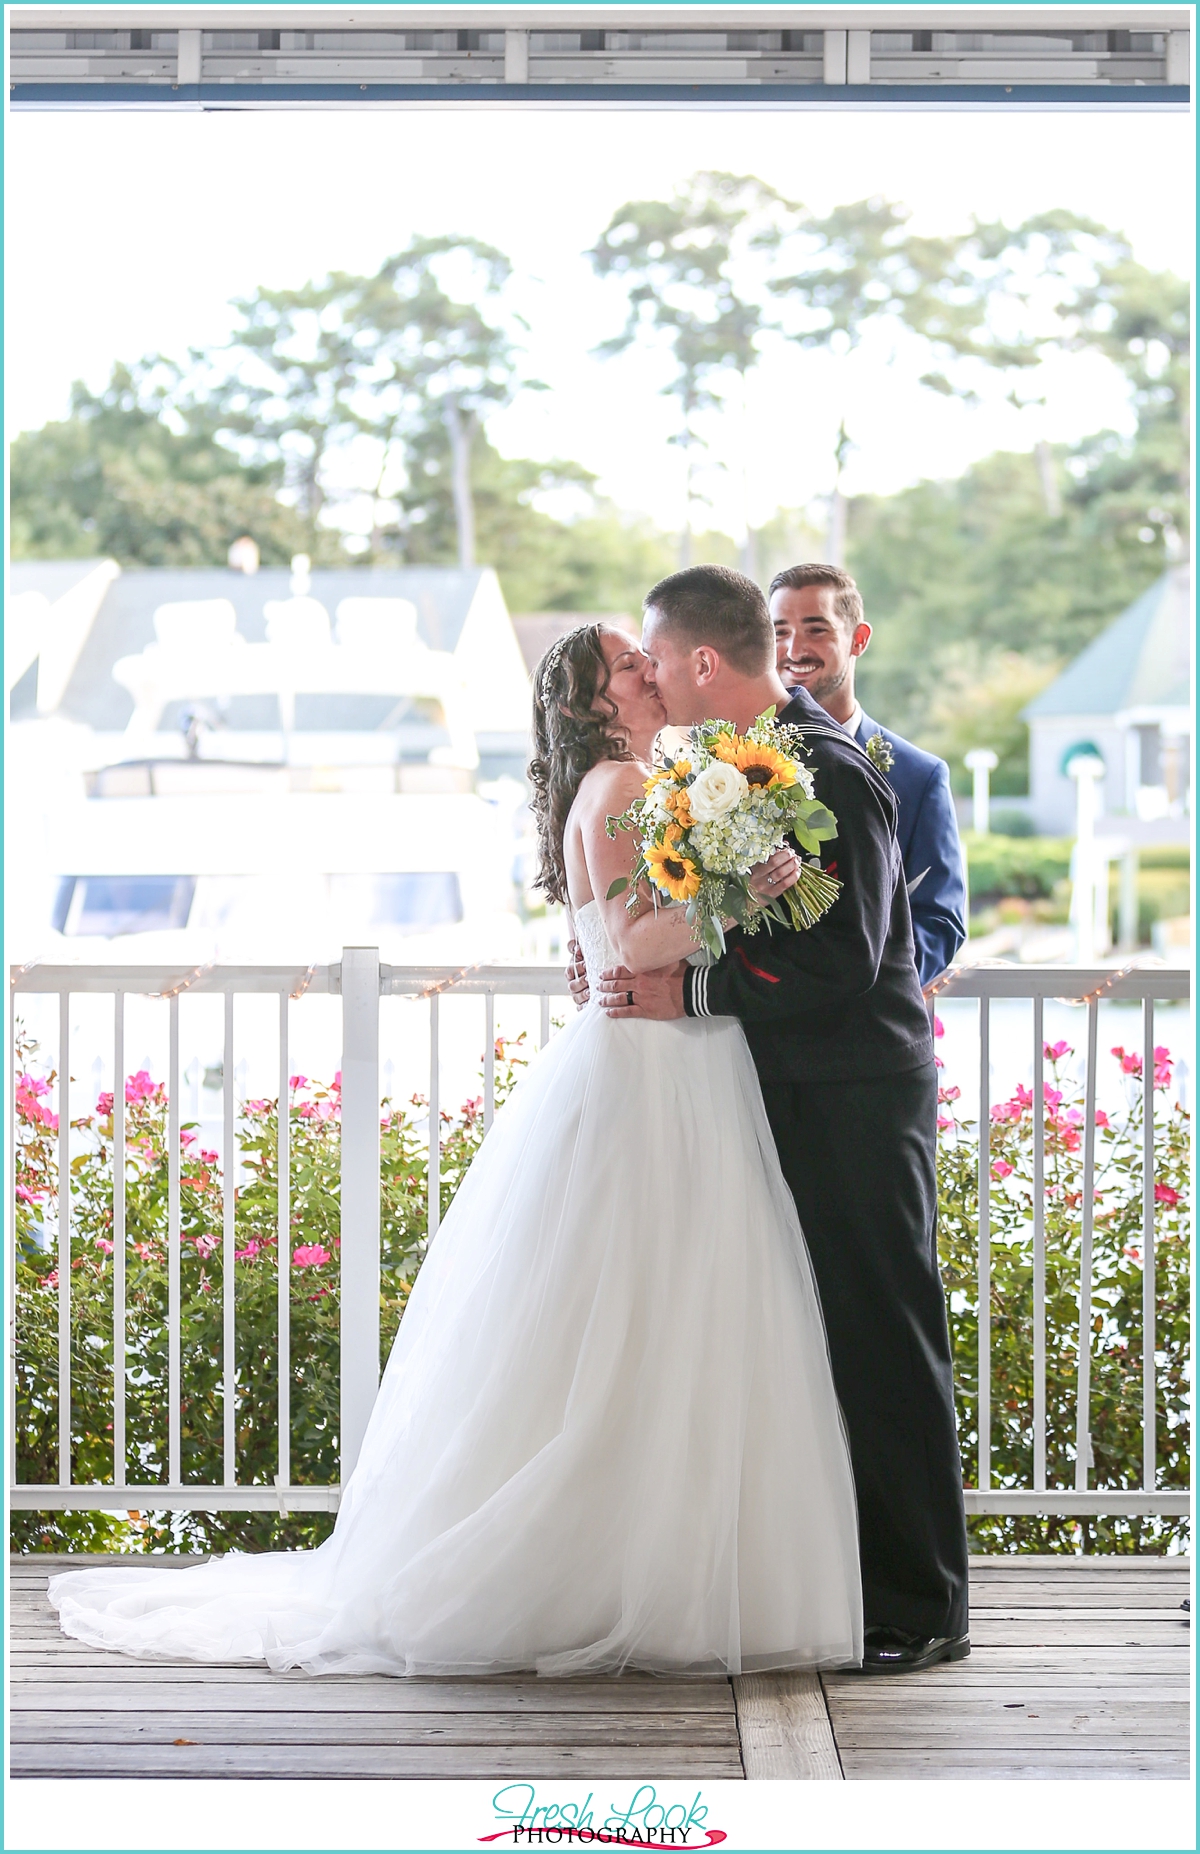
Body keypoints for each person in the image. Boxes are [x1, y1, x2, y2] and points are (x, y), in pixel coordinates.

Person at [49, 621, 862, 1680]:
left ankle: (661, 1568)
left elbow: (614, 940)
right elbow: (634, 944)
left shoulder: (638, 778)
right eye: (629, 665)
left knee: (672, 1317)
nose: (650, 672)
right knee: (645, 1315)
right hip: (655, 1073)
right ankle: (613, 1575)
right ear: (593, 703)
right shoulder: (618, 787)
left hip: (681, 1063)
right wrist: (744, 887)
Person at [595, 566, 970, 1675]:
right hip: (795, 1085)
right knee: (821, 1338)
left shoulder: (829, 773)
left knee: (882, 1336)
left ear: (704, 663)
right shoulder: (748, 763)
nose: (653, 676)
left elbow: (844, 965)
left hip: (856, 1090)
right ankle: (851, 1584)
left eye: (659, 658)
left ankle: (923, 1607)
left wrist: (693, 995)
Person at [769, 562, 966, 988]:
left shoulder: (920, 776)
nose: (793, 649)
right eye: (780, 631)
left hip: (866, 1034)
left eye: (816, 629)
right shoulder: (739, 764)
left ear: (859, 639)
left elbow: (940, 919)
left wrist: (873, 991)